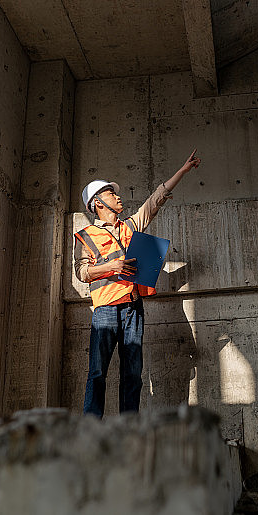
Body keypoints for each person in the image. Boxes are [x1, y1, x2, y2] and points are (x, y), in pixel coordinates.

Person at [74, 149, 202, 418]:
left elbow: (155, 201)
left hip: (133, 308)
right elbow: (82, 273)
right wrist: (111, 266)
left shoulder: (129, 226)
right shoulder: (87, 235)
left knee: (133, 374)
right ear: (98, 203)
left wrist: (182, 170)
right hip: (106, 310)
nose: (118, 197)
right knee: (97, 372)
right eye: (111, 194)